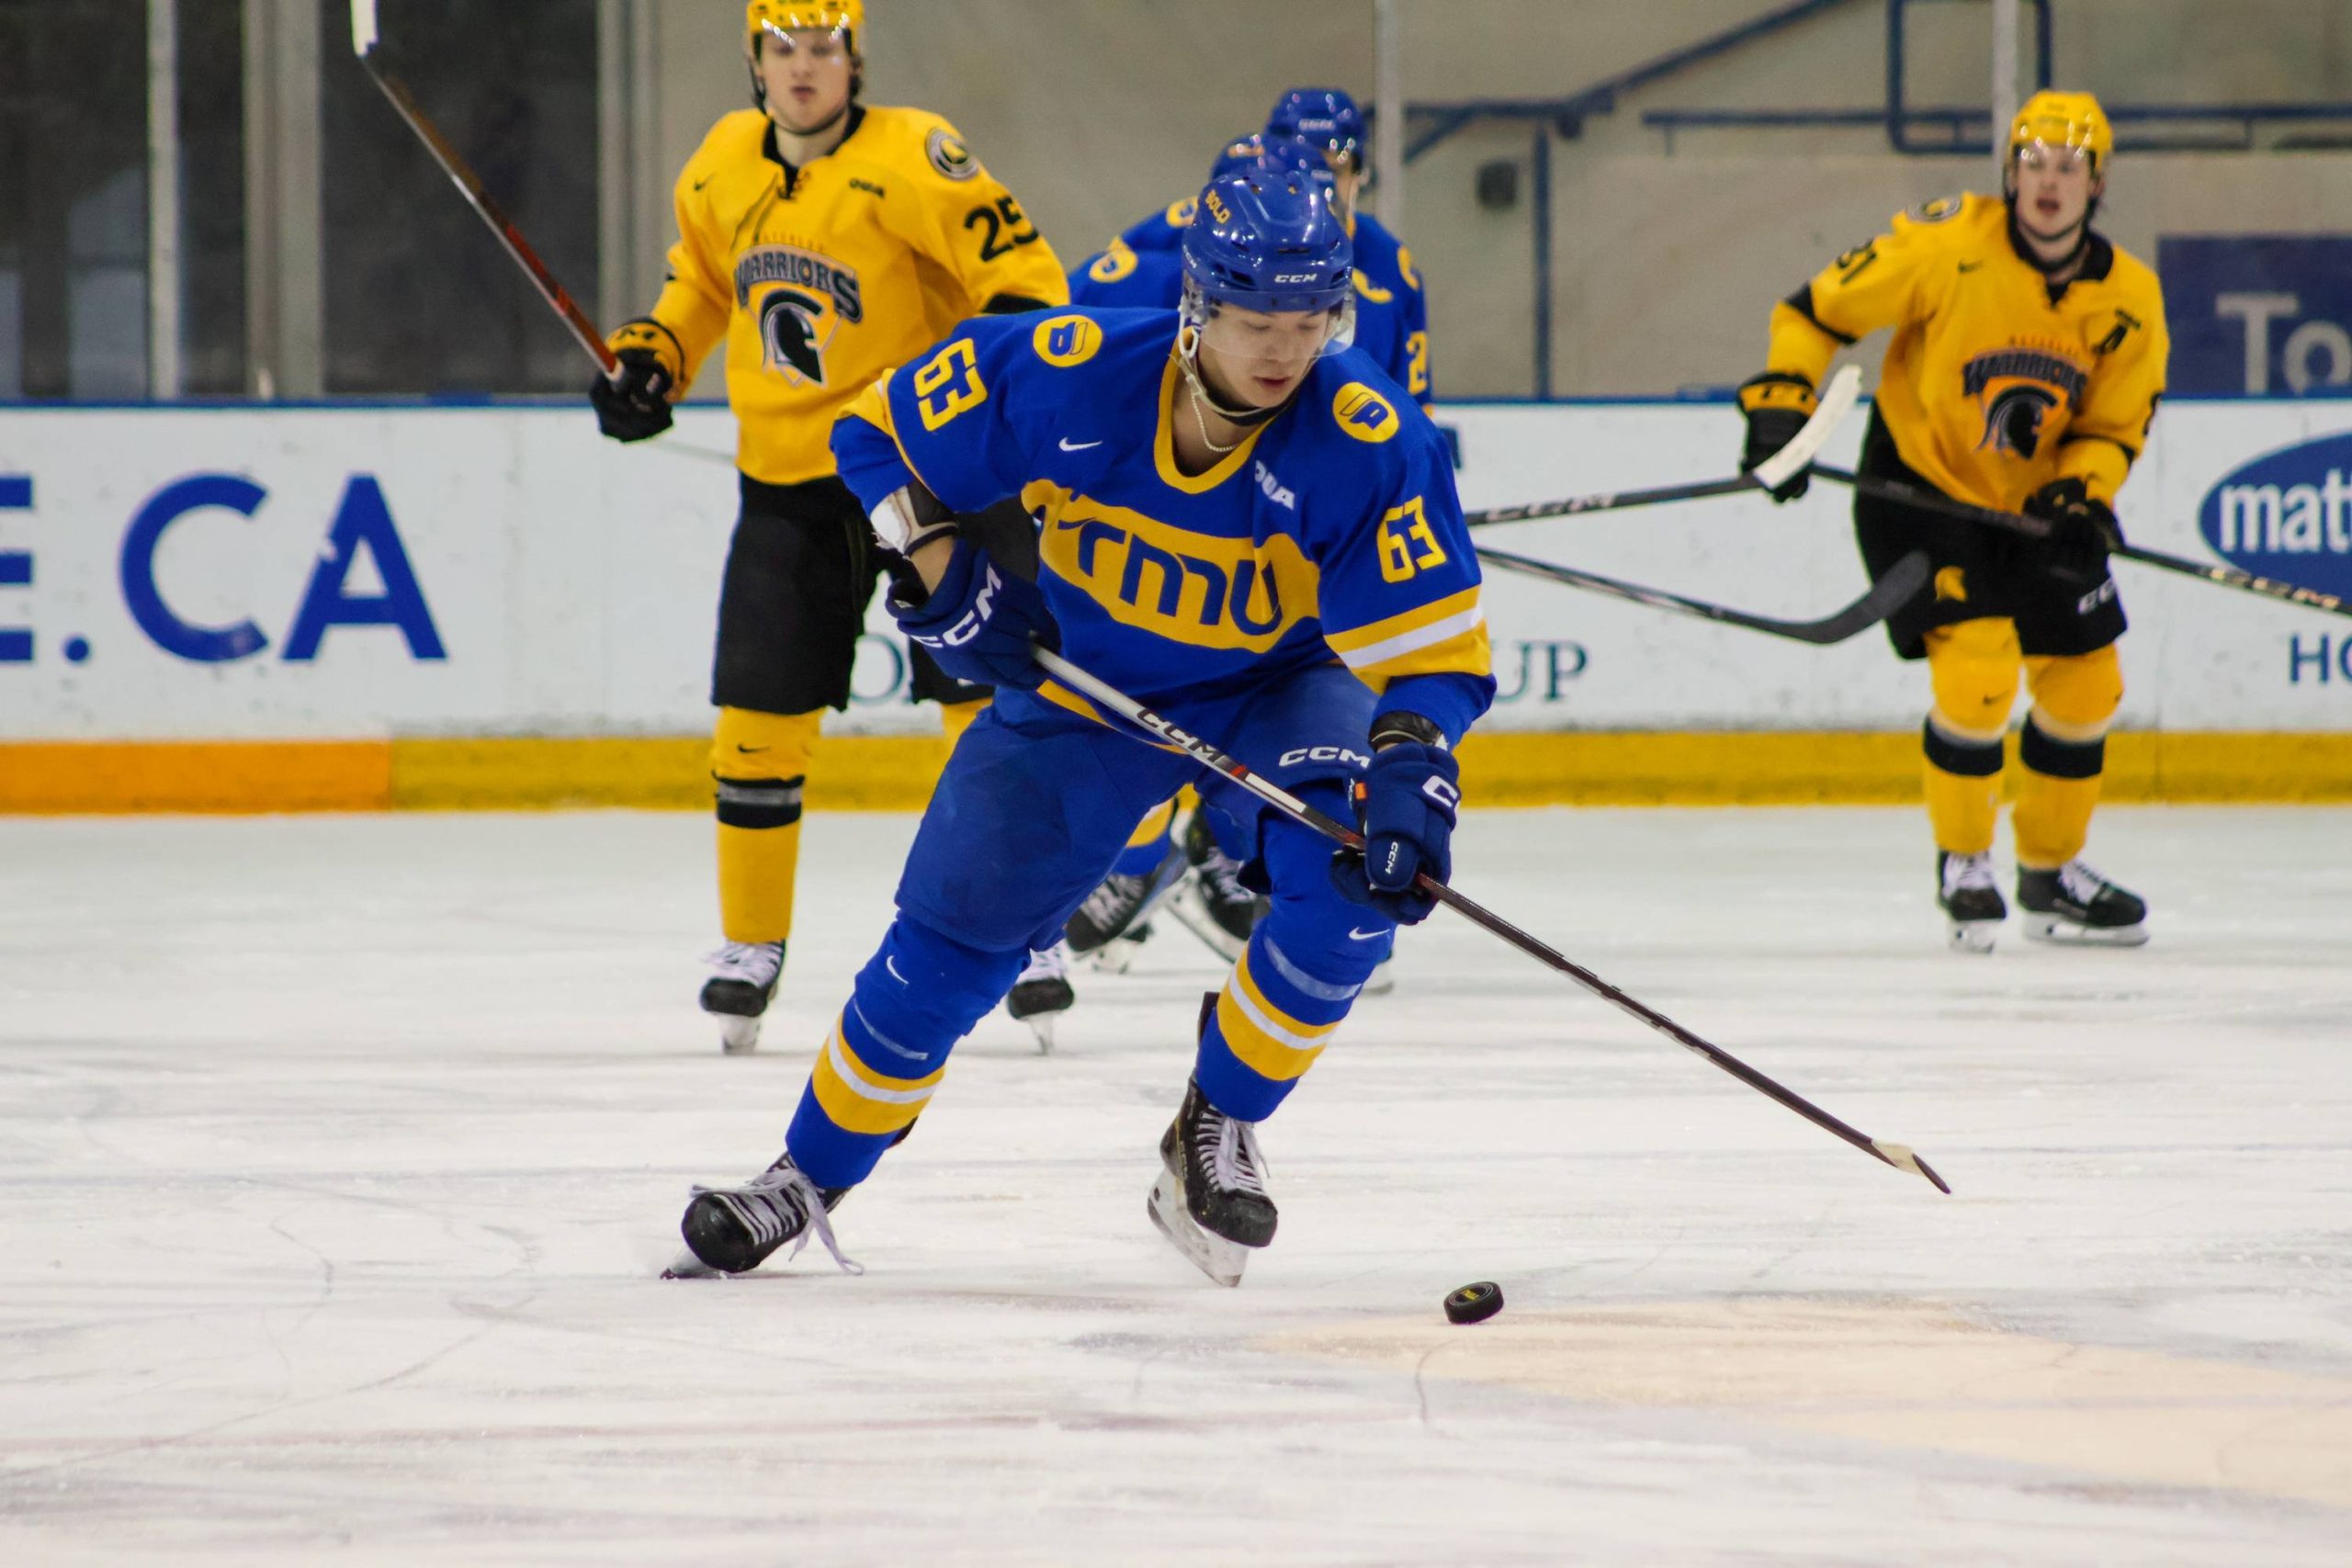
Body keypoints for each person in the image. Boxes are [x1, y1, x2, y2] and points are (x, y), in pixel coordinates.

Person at [669, 164, 1494, 1287]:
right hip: (1082, 691)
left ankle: (1217, 1121)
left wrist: (1410, 766)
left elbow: (1437, 661)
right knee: (946, 948)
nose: (1283, 351)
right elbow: (873, 435)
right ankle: (804, 1177)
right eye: (1256, 320)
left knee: (1351, 878)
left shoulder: (1368, 436)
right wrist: (940, 561)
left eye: (1310, 322)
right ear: (1199, 303)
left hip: (1275, 689)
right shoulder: (1074, 369)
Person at [589, 2, 1067, 1051]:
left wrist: (987, 388)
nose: (804, 68)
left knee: (993, 702)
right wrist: (653, 358)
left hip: (928, 473)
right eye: (783, 49)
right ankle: (750, 947)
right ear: (754, 61)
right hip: (789, 486)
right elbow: (702, 286)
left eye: (823, 49)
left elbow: (1026, 284)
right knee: (757, 722)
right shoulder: (720, 162)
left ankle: (1028, 928)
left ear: (855, 62)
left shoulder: (917, 154)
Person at [1736, 90, 2165, 951]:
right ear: (2009, 173)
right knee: (1978, 674)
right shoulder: (1945, 245)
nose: (2049, 182)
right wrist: (1783, 403)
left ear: (2097, 183)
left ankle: (2050, 874)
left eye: (2070, 167)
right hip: (1920, 493)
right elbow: (1815, 310)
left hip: (2035, 510)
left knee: (2088, 686)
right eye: (2033, 164)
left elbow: (2115, 426)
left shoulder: (2130, 297)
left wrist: (2083, 494)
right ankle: (1965, 861)